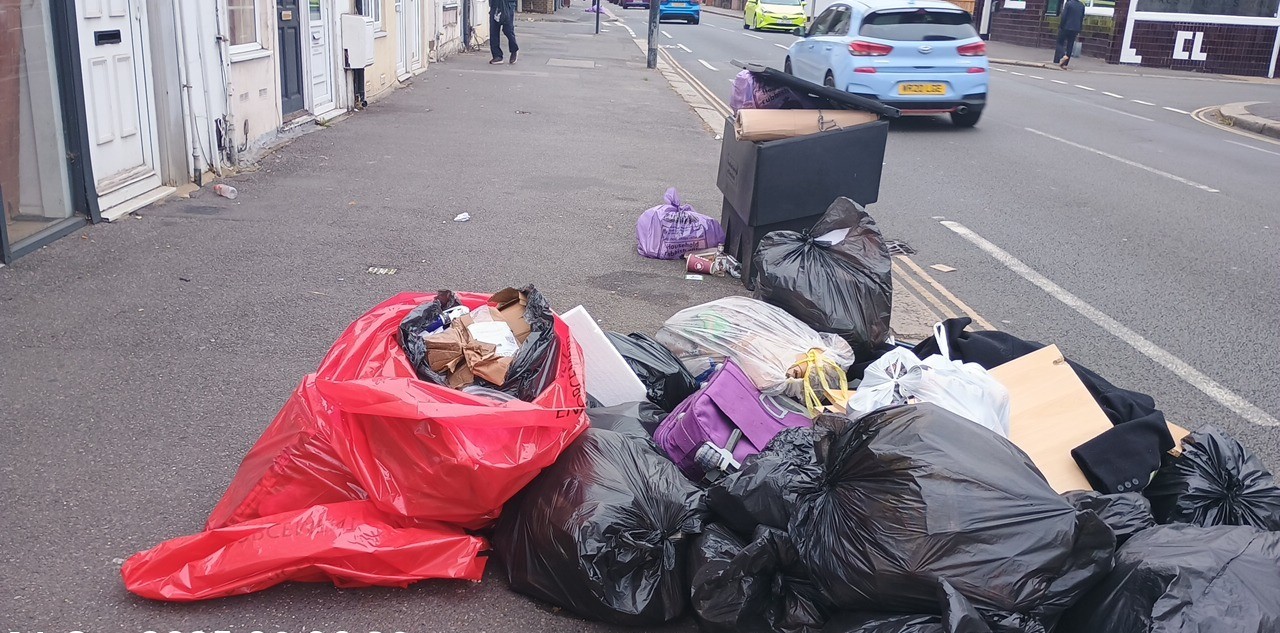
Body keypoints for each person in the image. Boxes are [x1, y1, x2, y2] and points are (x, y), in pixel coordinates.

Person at [1055, 0, 1085, 69]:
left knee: (1059, 43)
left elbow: (1064, 16)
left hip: (1066, 27)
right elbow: (1081, 18)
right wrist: (1079, 28)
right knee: (1070, 45)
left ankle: (1063, 56)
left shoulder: (1068, 4)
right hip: (1075, 28)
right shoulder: (1082, 5)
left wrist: (1061, 26)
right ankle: (1065, 63)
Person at [490, 0, 519, 64]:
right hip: (495, 4)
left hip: (508, 4)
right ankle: (497, 56)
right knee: (494, 30)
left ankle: (514, 50)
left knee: (508, 29)